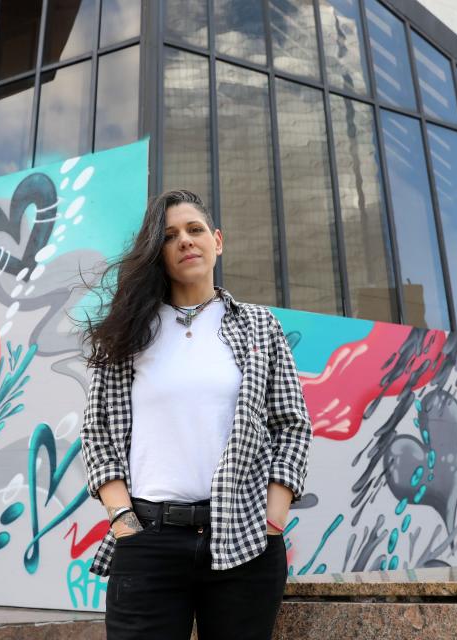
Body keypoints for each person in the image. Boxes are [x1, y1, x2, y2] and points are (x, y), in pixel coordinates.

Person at [79, 189, 312, 639]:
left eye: (194, 230)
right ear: (157, 254)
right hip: (148, 538)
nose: (185, 240)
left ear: (217, 241)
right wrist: (124, 522)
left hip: (245, 539)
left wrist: (271, 520)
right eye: (169, 236)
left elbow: (292, 426)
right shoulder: (127, 333)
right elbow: (99, 434)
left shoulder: (259, 326)